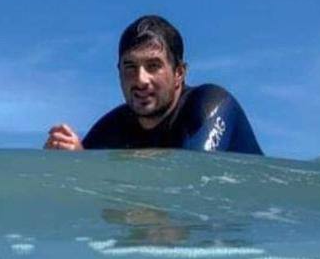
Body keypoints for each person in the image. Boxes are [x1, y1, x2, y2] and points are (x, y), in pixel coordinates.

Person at [44, 15, 263, 155]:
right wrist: (74, 163)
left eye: (153, 65)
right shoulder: (112, 128)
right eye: (130, 66)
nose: (140, 79)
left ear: (179, 73)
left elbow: (194, 183)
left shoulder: (212, 105)